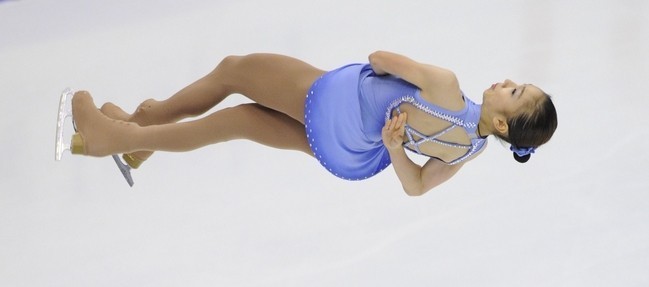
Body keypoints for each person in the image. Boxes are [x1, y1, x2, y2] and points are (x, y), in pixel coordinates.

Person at [67, 52, 557, 195]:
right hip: (350, 151)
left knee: (234, 71)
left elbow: (379, 58)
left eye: (515, 93)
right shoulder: (469, 150)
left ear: (501, 121)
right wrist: (394, 147)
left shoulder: (447, 85)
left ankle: (115, 137)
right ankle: (141, 134)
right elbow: (415, 186)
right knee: (239, 121)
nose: (508, 82)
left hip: (334, 106)